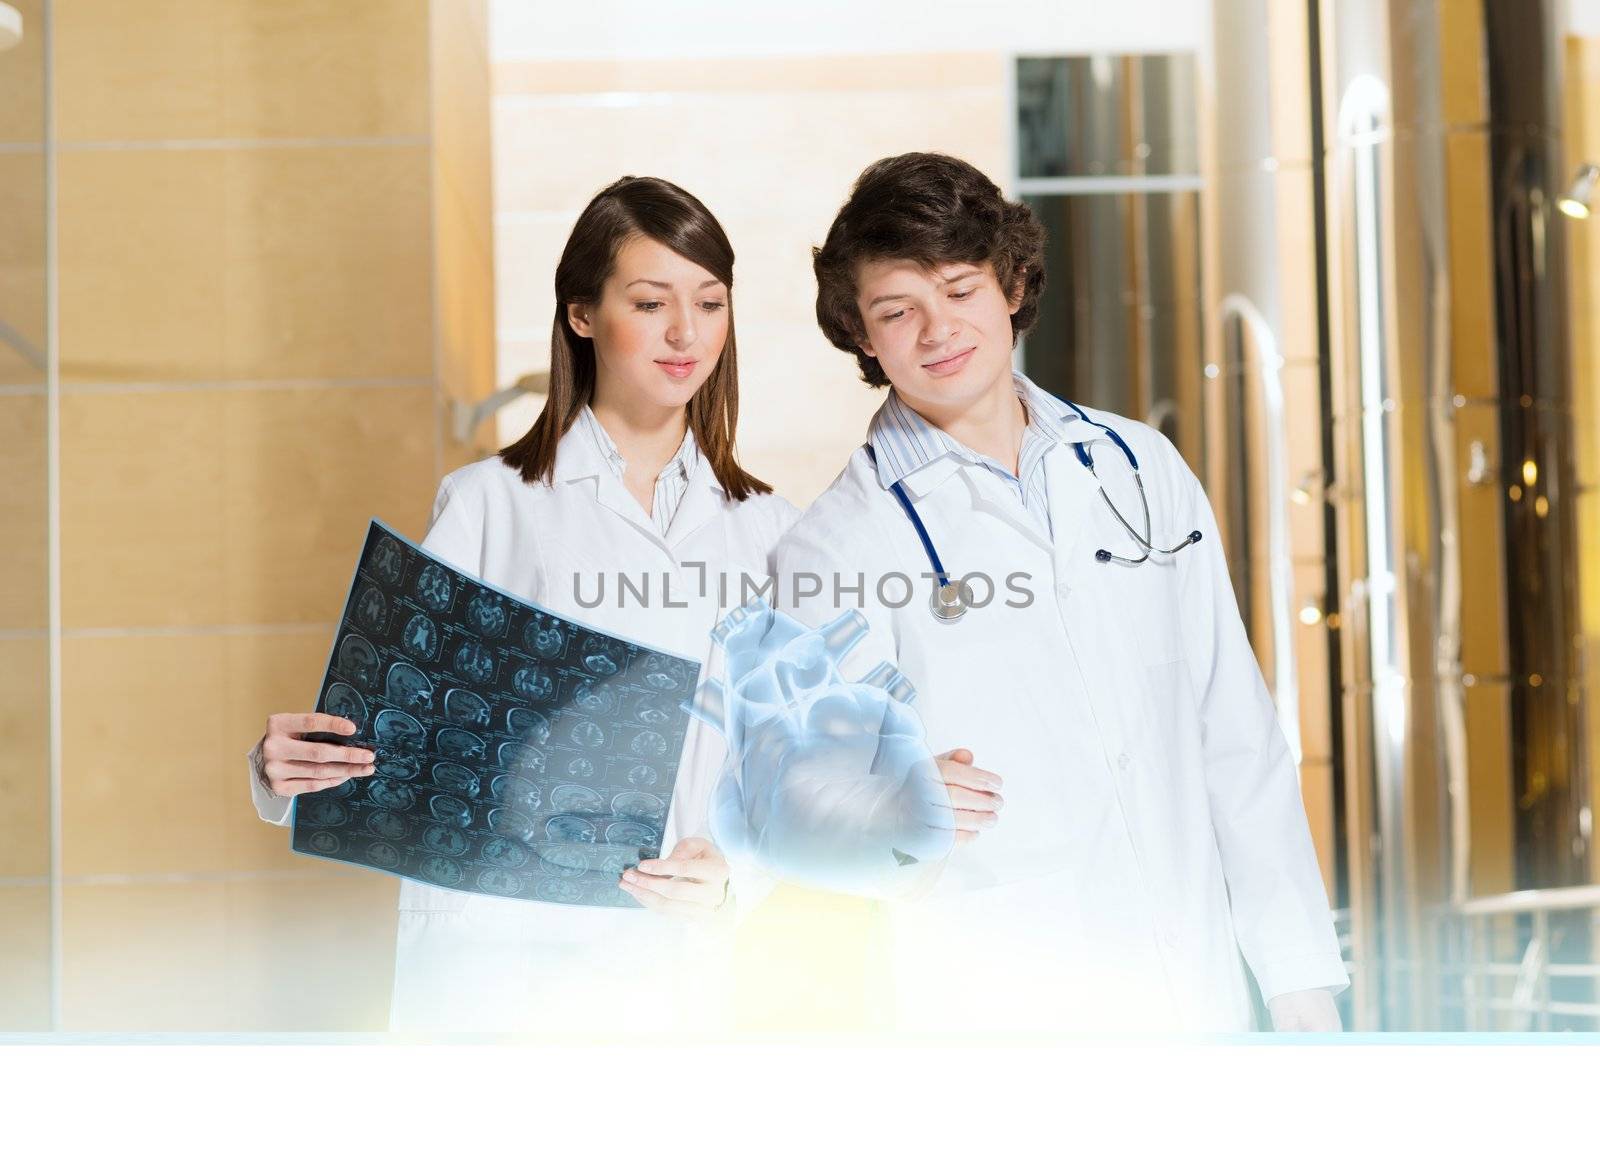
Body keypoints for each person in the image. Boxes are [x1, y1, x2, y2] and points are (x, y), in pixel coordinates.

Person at [774, 152, 1348, 1032]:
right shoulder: (833, 546)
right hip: (1002, 1019)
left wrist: (1300, 986)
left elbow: (1235, 736)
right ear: (860, 332)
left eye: (961, 289)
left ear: (1010, 283)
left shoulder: (1139, 468)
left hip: (1194, 994)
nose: (938, 331)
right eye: (899, 310)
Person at [246, 175, 799, 1033]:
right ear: (582, 313)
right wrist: (288, 770)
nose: (686, 333)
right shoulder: (489, 503)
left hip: (673, 963)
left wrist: (733, 875)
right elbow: (399, 728)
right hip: (500, 962)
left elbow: (792, 767)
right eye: (650, 302)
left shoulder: (767, 529)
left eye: (710, 302)